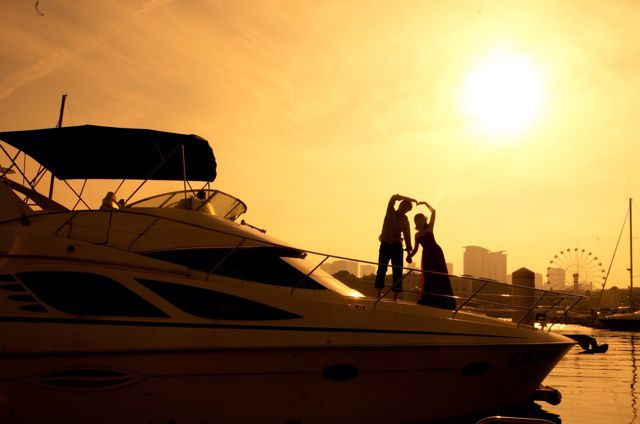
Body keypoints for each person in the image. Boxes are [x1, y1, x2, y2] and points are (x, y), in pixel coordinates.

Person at [407, 202, 456, 310]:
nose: (420, 222)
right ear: (416, 223)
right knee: (429, 277)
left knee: (440, 276)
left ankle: (444, 301)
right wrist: (409, 256)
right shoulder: (417, 235)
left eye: (421, 220)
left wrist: (425, 203)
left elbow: (434, 212)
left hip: (436, 253)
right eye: (418, 221)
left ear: (424, 220)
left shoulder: (429, 227)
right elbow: (415, 249)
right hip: (427, 256)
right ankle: (429, 299)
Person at [375, 194, 415, 300]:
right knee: (382, 268)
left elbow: (407, 236)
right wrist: (408, 199)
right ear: (400, 204)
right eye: (403, 205)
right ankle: (378, 293)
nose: (403, 208)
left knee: (397, 271)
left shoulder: (405, 220)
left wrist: (409, 254)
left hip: (397, 246)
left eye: (406, 208)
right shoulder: (390, 211)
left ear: (408, 210)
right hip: (386, 243)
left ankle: (395, 296)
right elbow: (393, 197)